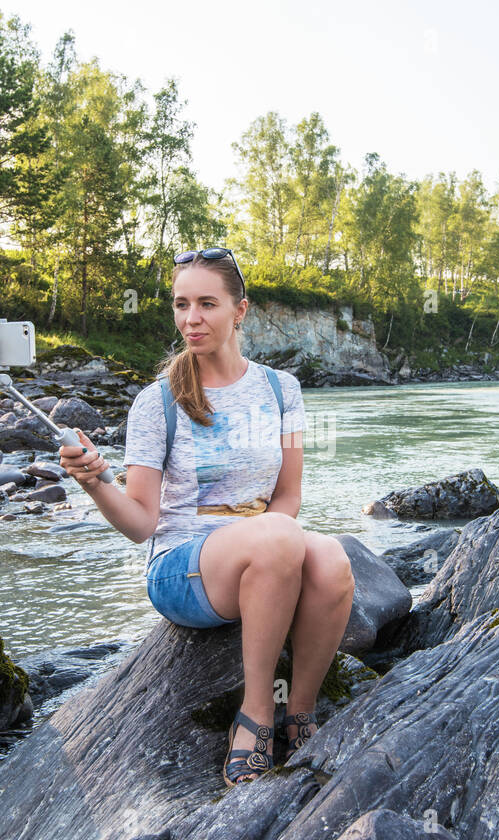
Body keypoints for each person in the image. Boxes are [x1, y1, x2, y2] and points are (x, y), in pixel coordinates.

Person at [58, 247, 355, 787]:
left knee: (333, 560)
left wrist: (275, 536)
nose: (190, 319)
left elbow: (288, 496)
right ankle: (257, 713)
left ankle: (301, 713)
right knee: (276, 541)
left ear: (240, 310)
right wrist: (96, 481)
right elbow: (141, 524)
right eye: (181, 304)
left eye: (207, 304)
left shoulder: (279, 389)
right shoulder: (158, 402)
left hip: (268, 551)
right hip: (182, 568)